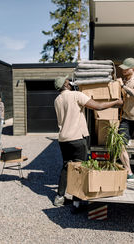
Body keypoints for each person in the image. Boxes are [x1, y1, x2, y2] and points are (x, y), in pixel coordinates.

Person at [53, 76, 123, 210]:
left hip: (63, 139)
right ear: (66, 85)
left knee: (66, 166)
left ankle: (59, 197)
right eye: (68, 82)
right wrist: (115, 102)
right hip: (77, 138)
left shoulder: (57, 100)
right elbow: (98, 106)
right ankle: (76, 203)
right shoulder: (76, 95)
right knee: (80, 169)